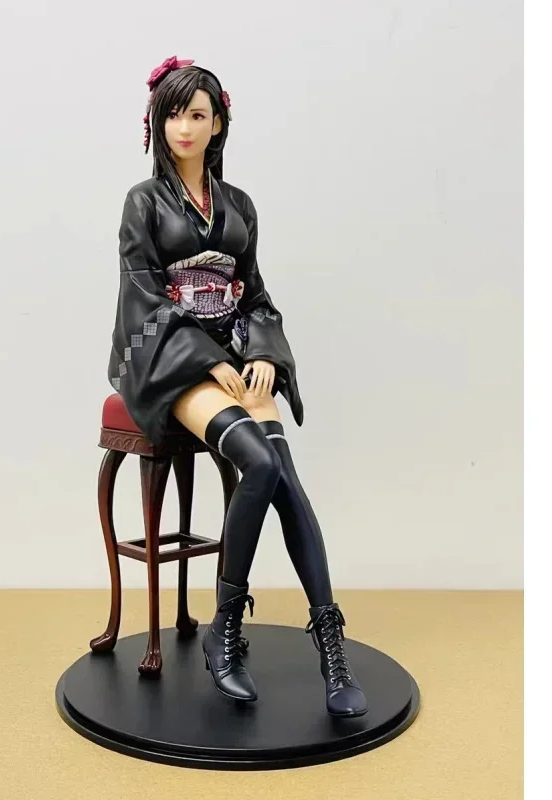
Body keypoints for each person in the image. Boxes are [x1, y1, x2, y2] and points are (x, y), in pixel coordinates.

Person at [107, 56, 368, 717]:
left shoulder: (239, 206)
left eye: (198, 114)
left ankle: (329, 641)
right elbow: (141, 297)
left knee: (285, 478)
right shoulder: (143, 203)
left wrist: (265, 354)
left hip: (232, 354)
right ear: (156, 121)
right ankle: (226, 627)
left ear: (218, 123)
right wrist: (201, 357)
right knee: (259, 461)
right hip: (169, 361)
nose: (184, 127)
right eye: (173, 114)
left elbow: (253, 294)